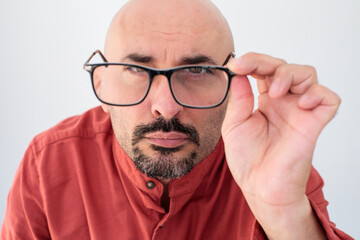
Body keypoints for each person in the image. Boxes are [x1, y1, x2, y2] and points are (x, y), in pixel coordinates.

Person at [1, 0, 354, 239]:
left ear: (233, 83)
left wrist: (288, 216)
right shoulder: (48, 162)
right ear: (101, 83)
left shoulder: (272, 157)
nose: (166, 107)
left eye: (197, 69)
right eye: (137, 69)